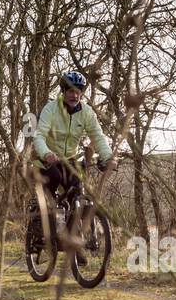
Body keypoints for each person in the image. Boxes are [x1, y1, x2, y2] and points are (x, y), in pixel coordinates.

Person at [28, 70, 117, 260]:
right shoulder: (51, 109)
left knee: (77, 195)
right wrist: (46, 153)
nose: (74, 95)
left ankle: (73, 244)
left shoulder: (86, 113)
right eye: (70, 91)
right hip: (48, 160)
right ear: (63, 91)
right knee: (50, 194)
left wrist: (108, 157)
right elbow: (40, 136)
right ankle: (38, 233)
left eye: (78, 91)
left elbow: (98, 137)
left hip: (70, 161)